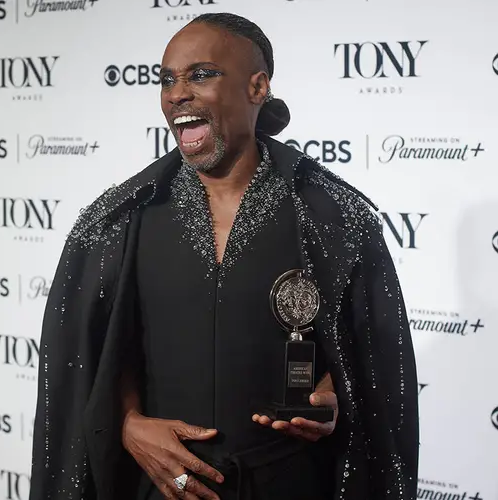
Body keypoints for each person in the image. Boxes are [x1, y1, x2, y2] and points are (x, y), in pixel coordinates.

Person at [28, 12, 419, 500]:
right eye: (167, 79)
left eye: (202, 74)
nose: (177, 93)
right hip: (161, 490)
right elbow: (94, 359)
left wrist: (335, 394)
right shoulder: (119, 220)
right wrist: (126, 423)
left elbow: (377, 370)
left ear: (258, 87)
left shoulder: (333, 216)